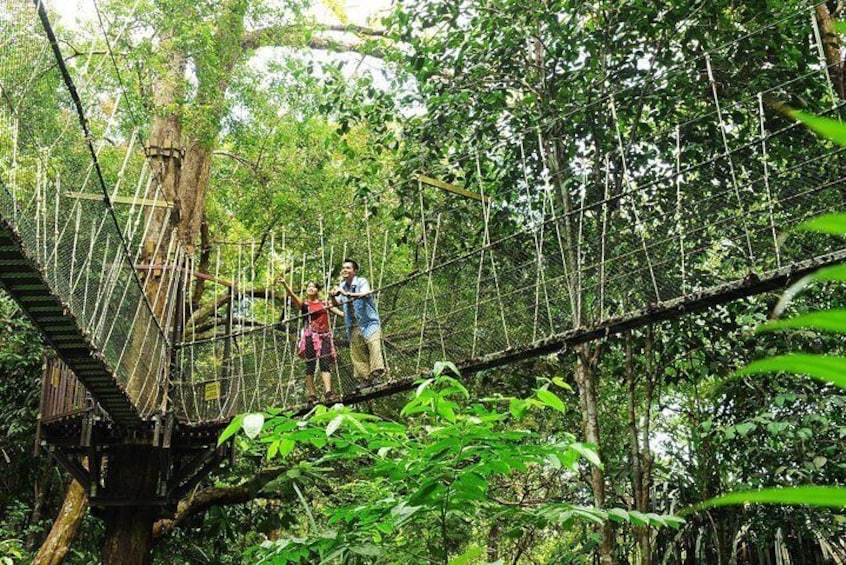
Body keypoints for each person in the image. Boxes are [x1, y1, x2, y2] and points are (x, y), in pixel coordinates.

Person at [279, 277, 343, 404]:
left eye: (313, 287)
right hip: (310, 337)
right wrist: (285, 284)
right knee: (310, 365)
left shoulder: (324, 303)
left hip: (324, 336)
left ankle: (328, 392)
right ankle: (312, 394)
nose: (310, 288)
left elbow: (338, 308)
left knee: (325, 363)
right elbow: (292, 296)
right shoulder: (305, 305)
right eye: (308, 287)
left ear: (318, 290)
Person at [330, 259, 385, 389]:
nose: (345, 270)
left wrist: (346, 293)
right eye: (343, 268)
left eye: (348, 268)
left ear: (354, 271)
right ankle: (365, 379)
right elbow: (336, 303)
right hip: (353, 325)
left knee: (374, 344)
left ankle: (376, 375)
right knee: (357, 352)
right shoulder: (342, 286)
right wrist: (332, 296)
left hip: (369, 322)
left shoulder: (361, 281)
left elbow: (366, 293)